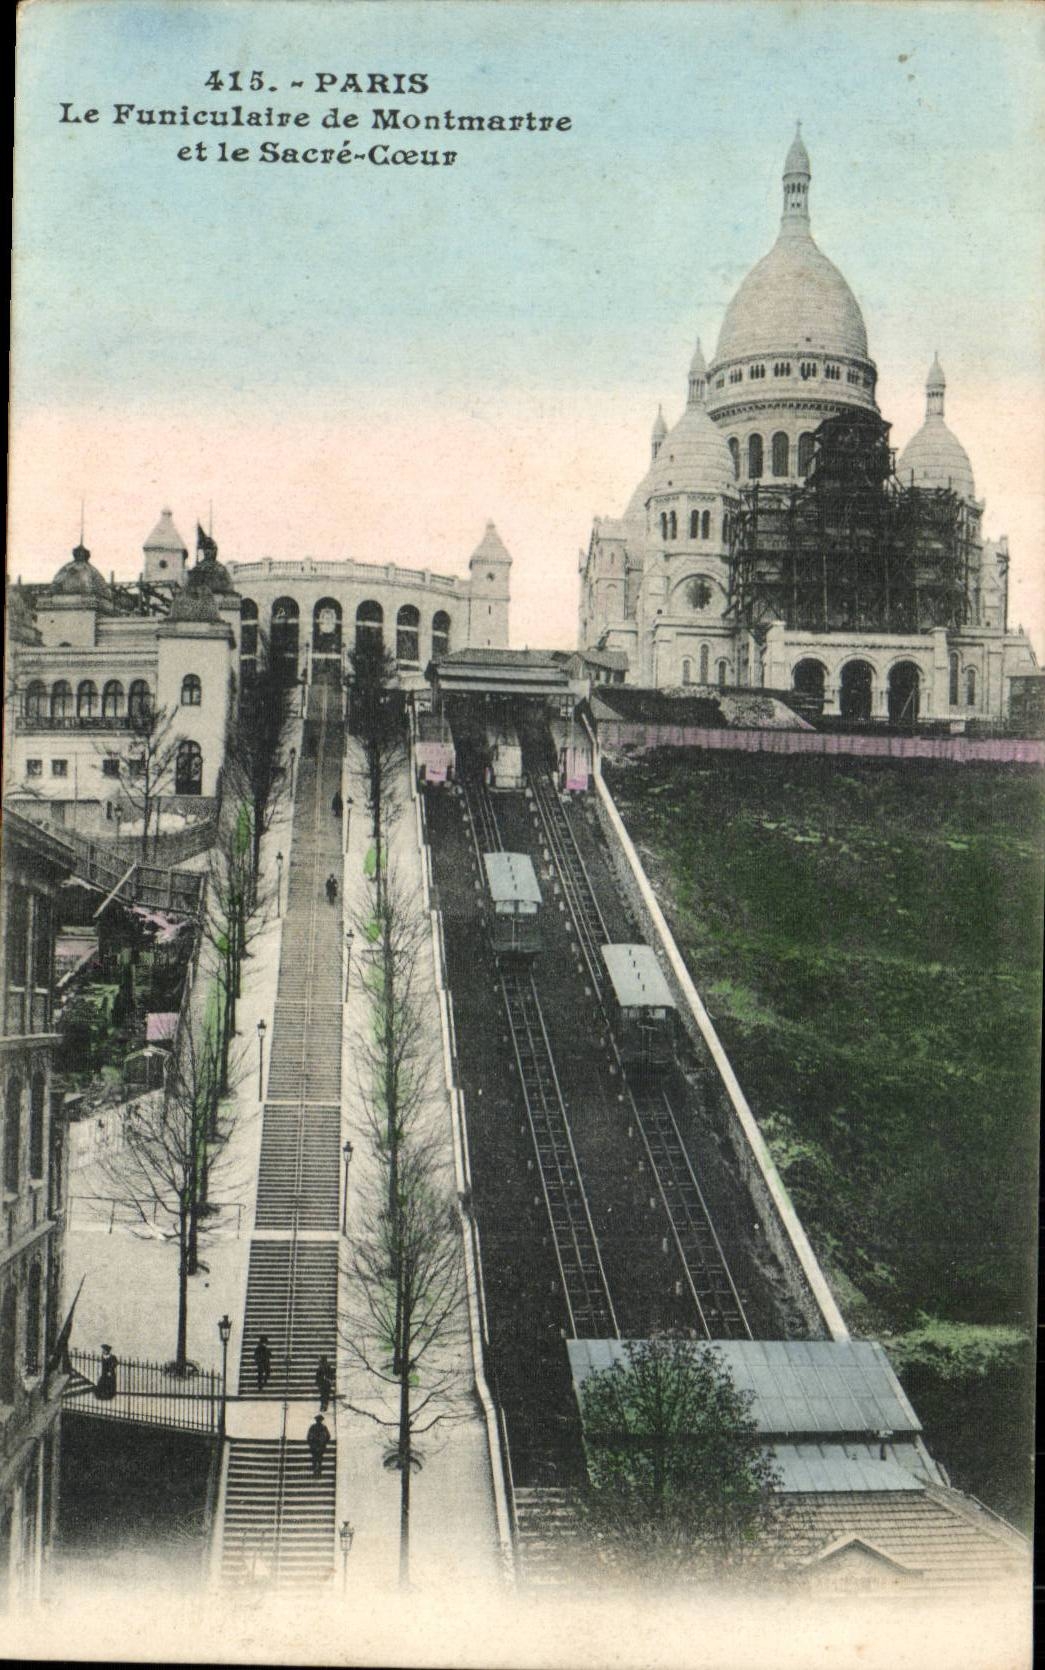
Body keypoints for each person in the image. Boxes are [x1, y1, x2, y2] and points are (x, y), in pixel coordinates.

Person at [306, 1413, 330, 1479]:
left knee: (316, 1459)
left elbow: (308, 1437)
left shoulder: (314, 1427)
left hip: (316, 1446)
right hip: (319, 1446)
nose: (319, 1421)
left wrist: (311, 1444)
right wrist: (324, 1443)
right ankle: (318, 1472)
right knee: (318, 1459)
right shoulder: (323, 1427)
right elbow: (328, 1436)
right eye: (318, 1420)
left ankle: (316, 1472)